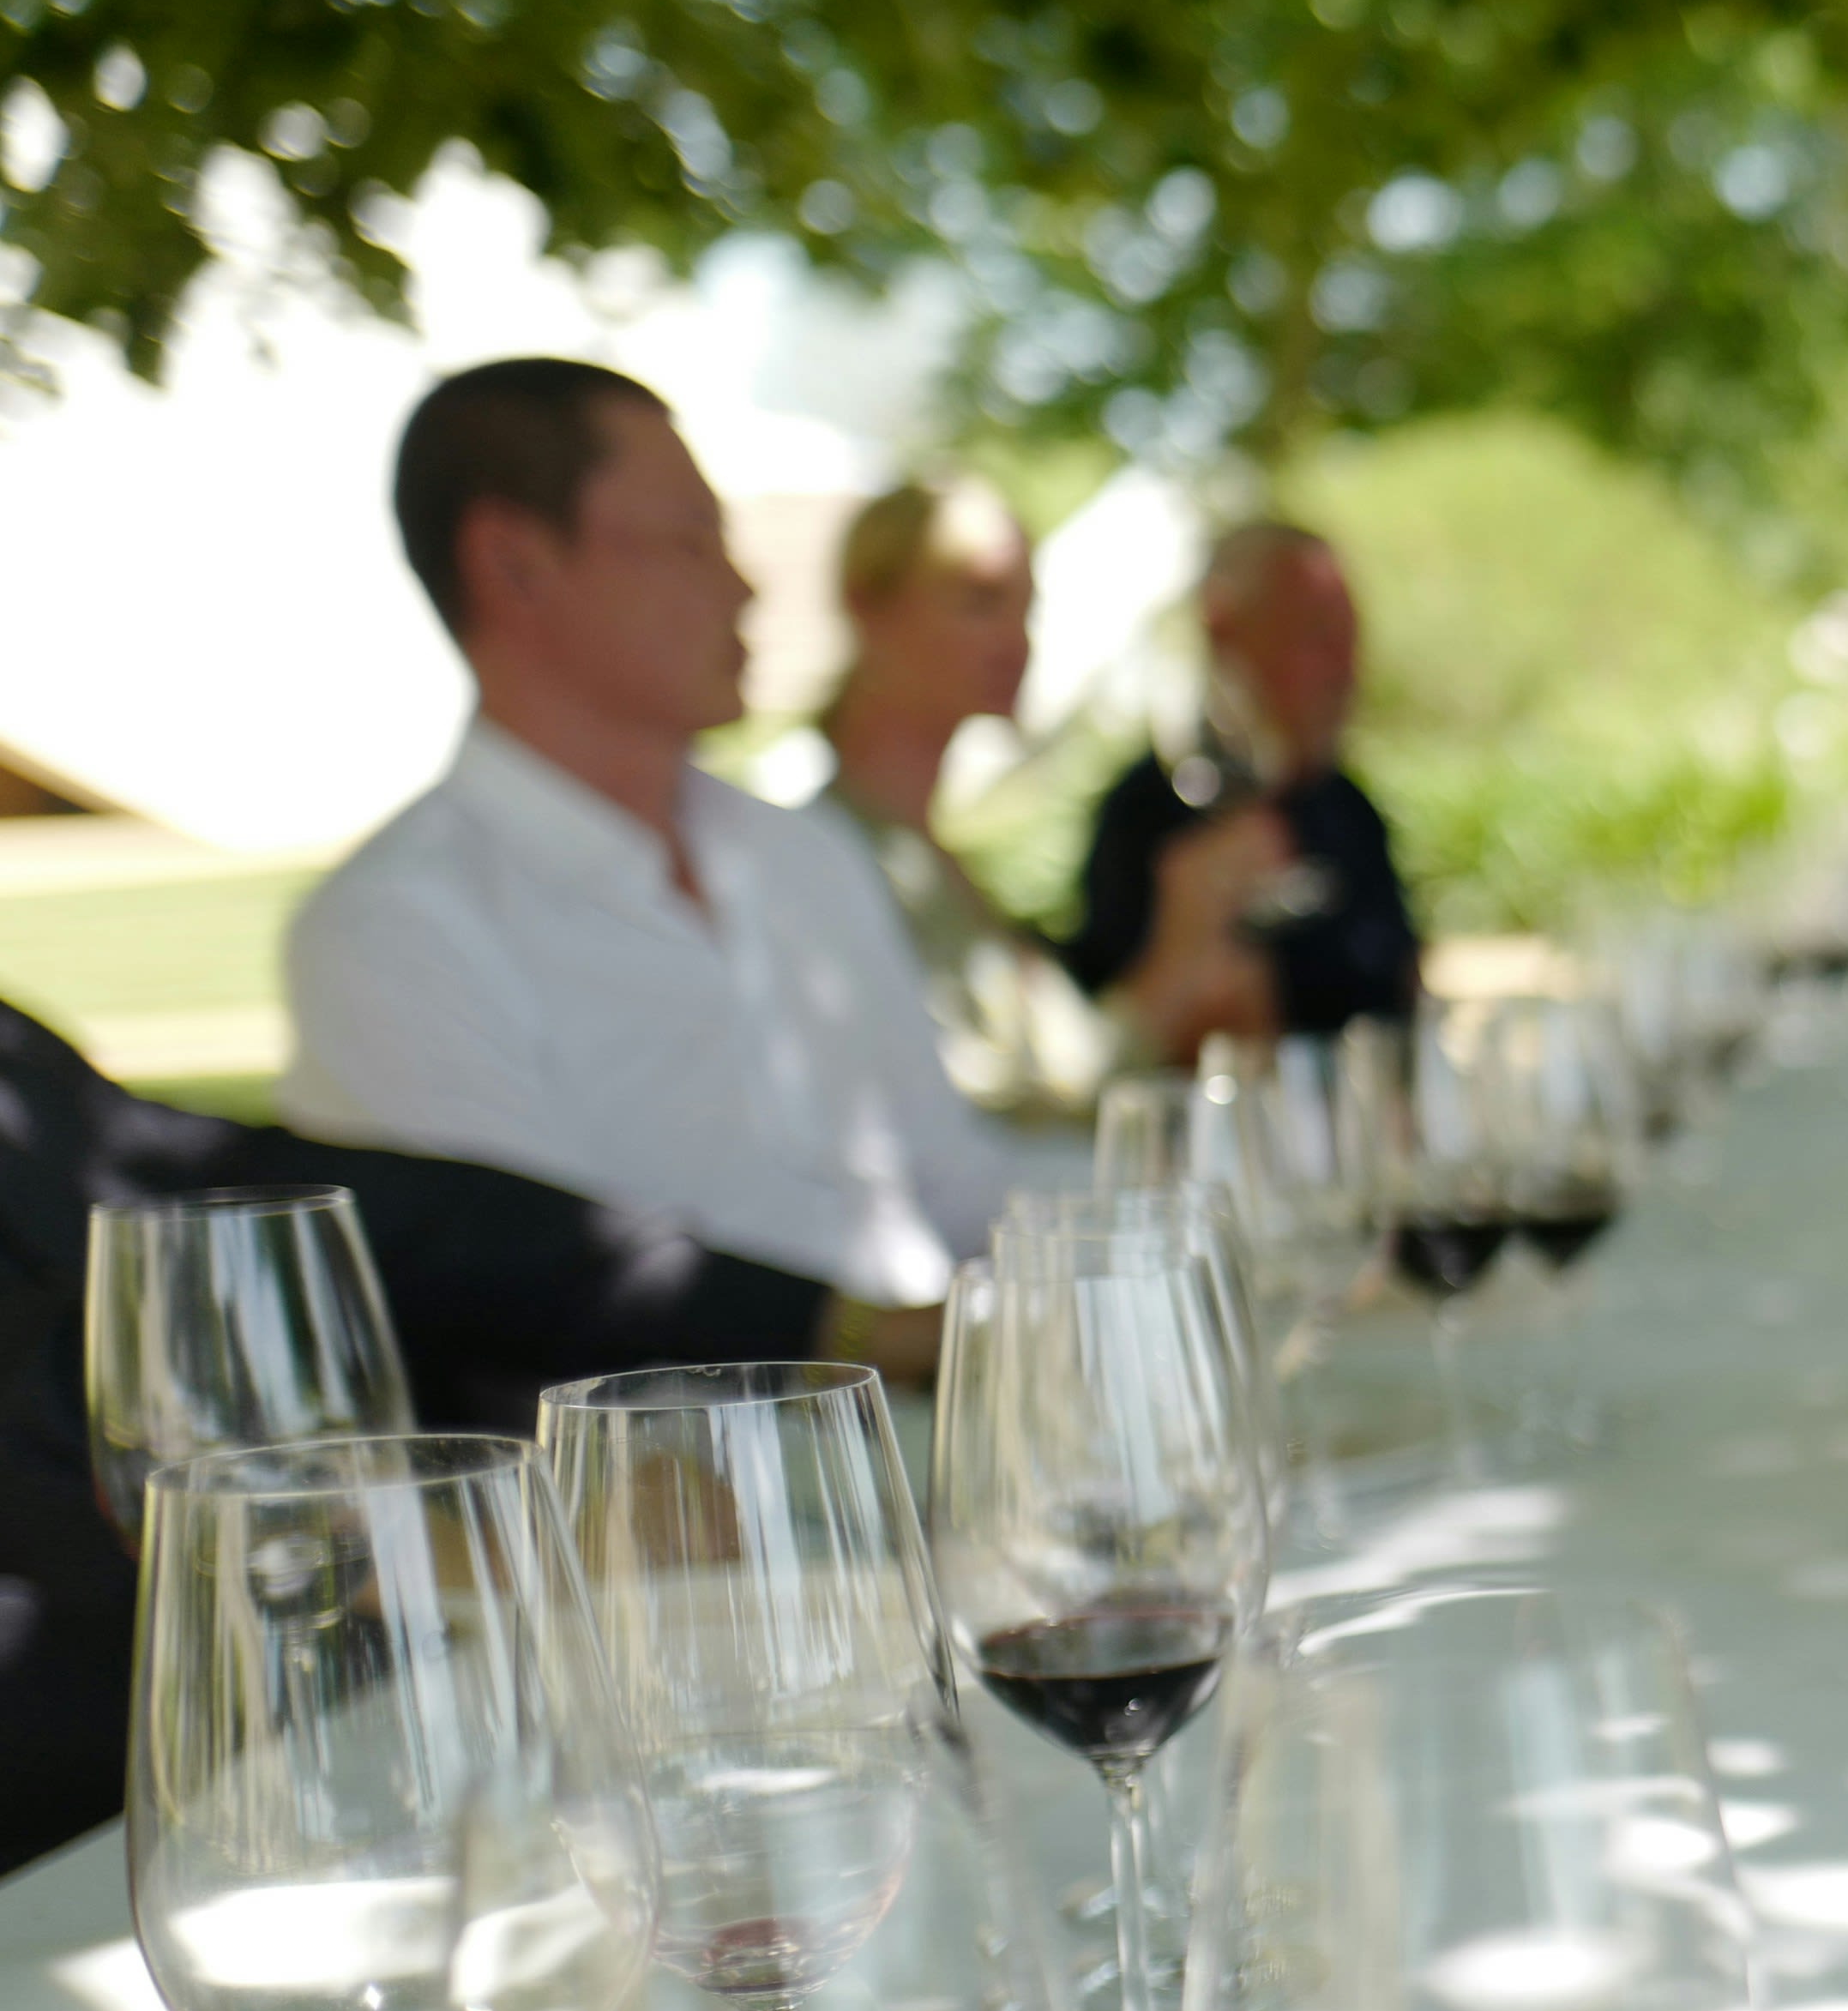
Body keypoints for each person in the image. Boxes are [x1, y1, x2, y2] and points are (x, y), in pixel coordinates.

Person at [0, 999, 907, 1872]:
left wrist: (833, 1324)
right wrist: (441, 1539)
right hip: (86, 1838)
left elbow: (330, 1211)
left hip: (312, 1776)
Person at [281, 358, 1014, 1308]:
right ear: (513, 563)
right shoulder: (393, 933)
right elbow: (554, 1316)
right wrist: (903, 1352)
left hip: (950, 1412)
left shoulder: (799, 858)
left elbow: (959, 1184)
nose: (744, 588)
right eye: (692, 542)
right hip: (734, 1443)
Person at [811, 477, 1273, 1118]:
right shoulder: (830, 864)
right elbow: (989, 1126)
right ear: (866, 605)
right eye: (980, 600)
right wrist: (1178, 952)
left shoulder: (928, 859)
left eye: (1026, 610)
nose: (1016, 640)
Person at [1068, 521, 1424, 1039]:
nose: (1344, 670)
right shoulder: (1148, 816)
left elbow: (1406, 993)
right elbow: (1133, 1054)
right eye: (1316, 637)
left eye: (1351, 641)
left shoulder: (1348, 807)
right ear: (1223, 630)